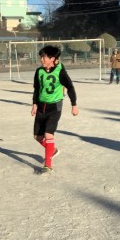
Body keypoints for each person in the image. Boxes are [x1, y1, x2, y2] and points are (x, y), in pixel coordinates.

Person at [32, 45, 79, 174]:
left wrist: (74, 105)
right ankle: (52, 150)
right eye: (41, 57)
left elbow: (70, 87)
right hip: (41, 106)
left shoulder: (60, 71)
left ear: (52, 58)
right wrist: (34, 104)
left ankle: (48, 165)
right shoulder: (39, 71)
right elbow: (37, 89)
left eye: (44, 57)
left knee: (48, 135)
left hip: (55, 107)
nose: (41, 59)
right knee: (37, 137)